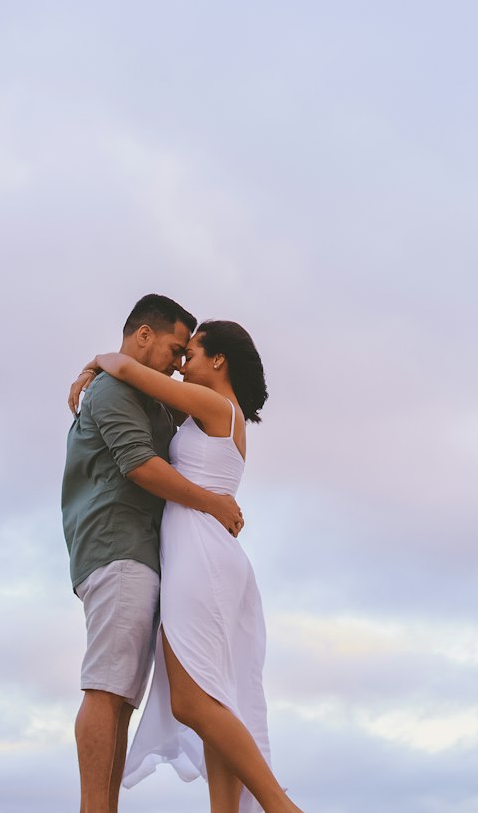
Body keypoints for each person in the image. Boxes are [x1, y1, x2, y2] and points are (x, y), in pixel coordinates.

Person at [70, 320, 306, 813]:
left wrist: (97, 362)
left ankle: (281, 806)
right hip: (207, 554)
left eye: (191, 353)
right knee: (215, 699)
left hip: (200, 555)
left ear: (218, 360)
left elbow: (127, 368)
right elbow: (137, 383)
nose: (181, 364)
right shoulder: (209, 411)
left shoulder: (215, 405)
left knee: (193, 702)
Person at [62, 294, 244, 813]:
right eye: (173, 347)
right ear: (143, 335)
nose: (178, 361)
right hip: (118, 547)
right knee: (106, 689)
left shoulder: (146, 394)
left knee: (120, 696)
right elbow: (140, 465)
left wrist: (93, 360)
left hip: (140, 551)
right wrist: (214, 503)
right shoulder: (115, 391)